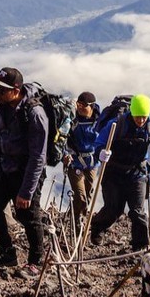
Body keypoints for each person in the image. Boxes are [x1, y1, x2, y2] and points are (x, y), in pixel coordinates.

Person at [0, 67, 48, 277]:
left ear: (16, 90)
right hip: (4, 166)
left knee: (27, 215)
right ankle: (7, 252)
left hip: (27, 171)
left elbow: (38, 157)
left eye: (1, 89)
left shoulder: (35, 114)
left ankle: (36, 261)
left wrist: (26, 191)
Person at [90, 93, 150, 251]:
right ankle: (97, 227)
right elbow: (98, 144)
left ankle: (140, 247)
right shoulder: (117, 124)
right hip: (113, 173)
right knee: (113, 209)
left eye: (143, 117)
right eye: (137, 117)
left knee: (137, 211)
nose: (140, 121)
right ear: (132, 112)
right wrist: (101, 153)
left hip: (137, 174)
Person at [63, 91, 100, 236]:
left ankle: (77, 215)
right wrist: (65, 155)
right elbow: (62, 139)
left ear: (92, 106)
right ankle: (78, 222)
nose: (79, 107)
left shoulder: (100, 122)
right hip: (74, 162)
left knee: (88, 196)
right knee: (81, 196)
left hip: (92, 163)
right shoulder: (71, 120)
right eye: (78, 104)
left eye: (83, 105)